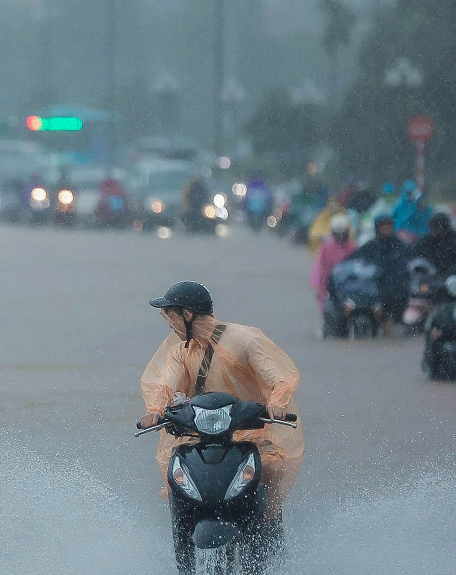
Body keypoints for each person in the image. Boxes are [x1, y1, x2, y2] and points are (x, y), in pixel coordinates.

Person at [137, 282, 304, 526]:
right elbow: (164, 384)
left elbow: (279, 376)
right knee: (178, 474)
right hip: (201, 432)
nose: (170, 322)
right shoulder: (181, 349)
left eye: (173, 315)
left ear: (188, 314)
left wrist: (277, 402)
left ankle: (267, 531)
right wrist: (155, 410)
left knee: (272, 469)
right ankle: (184, 534)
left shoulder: (245, 340)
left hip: (250, 431)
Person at [344, 215, 410, 330]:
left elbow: (407, 269)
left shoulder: (400, 246)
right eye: (383, 226)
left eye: (388, 225)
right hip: (373, 292)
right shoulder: (370, 246)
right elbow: (351, 263)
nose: (386, 228)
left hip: (397, 293)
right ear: (377, 228)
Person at [311, 213, 357, 309]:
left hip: (348, 287)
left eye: (343, 232)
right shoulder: (326, 247)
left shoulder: (353, 247)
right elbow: (320, 268)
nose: (340, 235)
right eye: (338, 232)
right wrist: (318, 286)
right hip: (329, 286)